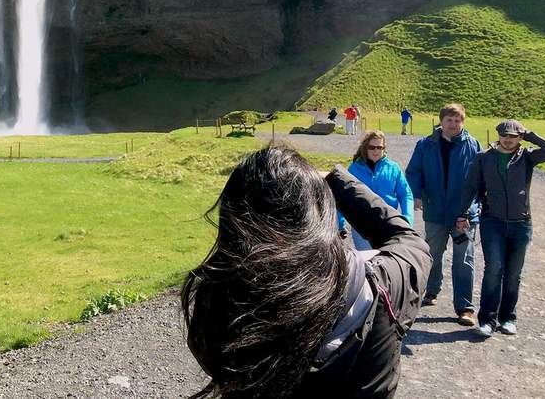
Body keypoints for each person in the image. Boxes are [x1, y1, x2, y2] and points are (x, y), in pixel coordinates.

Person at [183, 146, 431, 398]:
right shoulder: (380, 283)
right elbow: (410, 242)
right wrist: (337, 182)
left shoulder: (224, 299)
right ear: (319, 214)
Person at [455, 120, 545, 337]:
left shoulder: (528, 157)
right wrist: (462, 213)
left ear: (520, 138)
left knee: (513, 274)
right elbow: (471, 187)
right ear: (498, 135)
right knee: (494, 269)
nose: (509, 139)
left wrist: (529, 134)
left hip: (522, 224)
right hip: (493, 222)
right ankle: (487, 320)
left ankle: (508, 318)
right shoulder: (484, 157)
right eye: (505, 135)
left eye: (514, 136)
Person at [404, 102, 481, 326]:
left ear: (463, 122)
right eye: (450, 120)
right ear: (441, 121)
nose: (454, 124)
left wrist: (470, 211)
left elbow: (479, 180)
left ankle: (465, 307)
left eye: (458, 120)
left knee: (464, 260)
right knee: (432, 255)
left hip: (463, 215)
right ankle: (432, 290)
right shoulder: (425, 145)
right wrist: (416, 195)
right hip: (435, 211)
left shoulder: (473, 145)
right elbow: (414, 171)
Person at [338, 130, 413, 251]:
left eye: (380, 147)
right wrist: (339, 224)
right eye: (372, 147)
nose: (376, 151)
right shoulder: (354, 169)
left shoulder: (393, 168)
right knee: (368, 264)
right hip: (362, 226)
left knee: (387, 262)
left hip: (388, 224)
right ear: (365, 148)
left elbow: (405, 195)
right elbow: (343, 197)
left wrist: (408, 219)